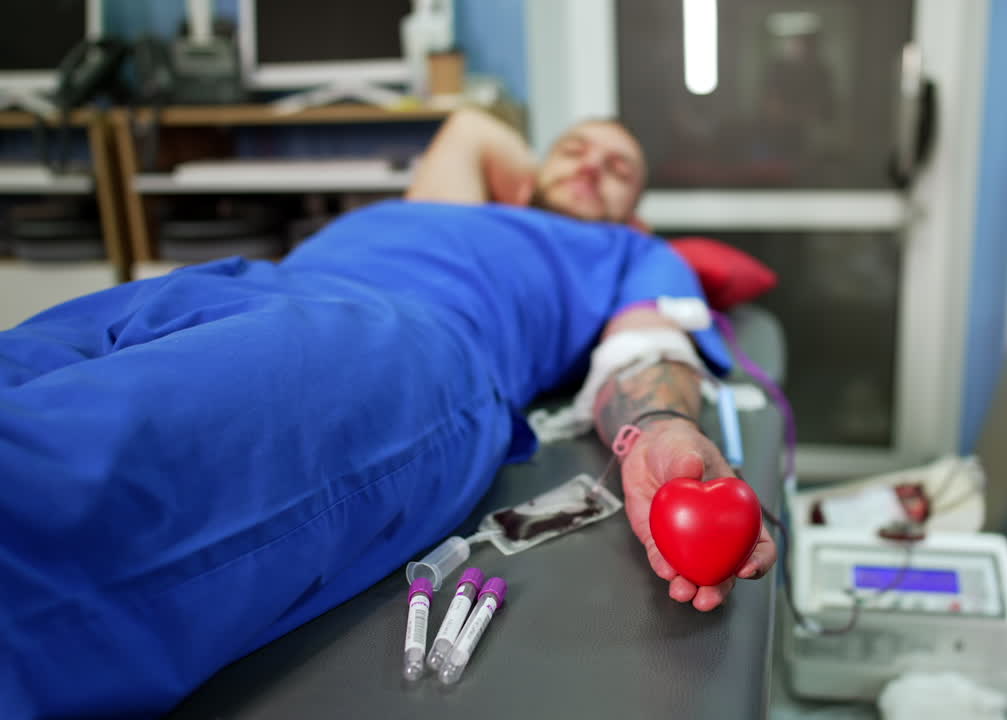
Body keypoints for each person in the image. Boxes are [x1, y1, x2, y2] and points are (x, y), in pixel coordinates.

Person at [0, 107, 776, 718]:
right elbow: (469, 129)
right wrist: (527, 177)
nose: (591, 166)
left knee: (48, 483)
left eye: (617, 169)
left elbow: (644, 352)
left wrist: (663, 427)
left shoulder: (631, 252)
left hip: (399, 339)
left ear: (636, 215)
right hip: (227, 284)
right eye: (574, 149)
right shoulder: (448, 208)